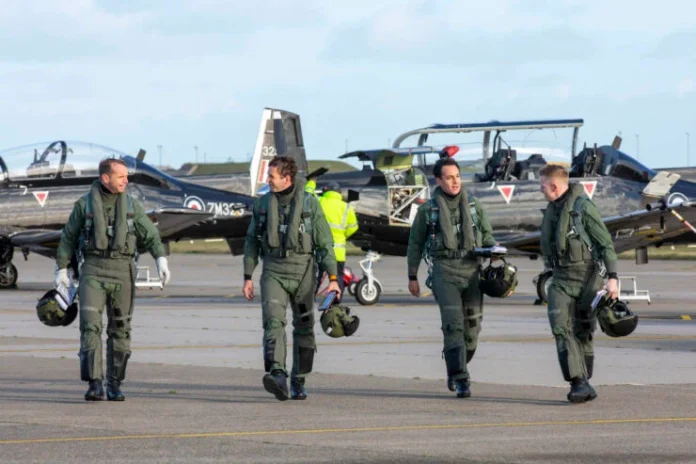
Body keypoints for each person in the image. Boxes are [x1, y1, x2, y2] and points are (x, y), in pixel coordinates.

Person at [55, 158, 171, 402]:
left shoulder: (131, 206)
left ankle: (115, 383)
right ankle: (94, 383)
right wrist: (62, 269)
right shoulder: (84, 205)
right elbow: (68, 237)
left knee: (121, 329)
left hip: (122, 271)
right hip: (93, 271)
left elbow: (150, 235)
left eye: (126, 176)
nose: (126, 181)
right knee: (90, 327)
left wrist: (161, 258)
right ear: (105, 178)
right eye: (121, 177)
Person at [243, 156, 340, 401]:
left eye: (271, 176)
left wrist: (333, 278)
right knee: (273, 322)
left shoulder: (310, 204)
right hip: (273, 270)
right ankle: (277, 374)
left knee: (305, 327)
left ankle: (299, 379)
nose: (268, 180)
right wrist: (247, 276)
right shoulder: (262, 204)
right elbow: (251, 242)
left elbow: (325, 243)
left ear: (286, 178)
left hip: (304, 272)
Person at [406, 157, 496, 398]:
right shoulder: (428, 210)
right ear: (438, 180)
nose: (455, 182)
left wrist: (496, 256)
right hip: (444, 271)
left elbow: (488, 237)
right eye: (449, 177)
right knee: (453, 325)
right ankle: (460, 378)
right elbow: (414, 244)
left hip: (472, 269)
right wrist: (412, 276)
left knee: (473, 329)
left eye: (457, 176)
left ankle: (455, 365)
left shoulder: (475, 206)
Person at [539, 164, 619, 403]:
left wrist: (613, 278)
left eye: (542, 185)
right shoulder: (551, 210)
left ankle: (585, 379)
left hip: (588, 278)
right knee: (561, 328)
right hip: (561, 279)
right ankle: (578, 382)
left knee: (583, 331)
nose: (539, 190)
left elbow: (605, 244)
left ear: (554, 186)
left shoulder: (583, 208)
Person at [318, 181, 358, 299]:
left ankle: (308, 300)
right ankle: (335, 302)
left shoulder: (319, 202)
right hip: (338, 252)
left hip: (321, 249)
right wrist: (342, 236)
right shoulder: (346, 207)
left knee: (317, 276)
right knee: (337, 277)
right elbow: (353, 227)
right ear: (339, 192)